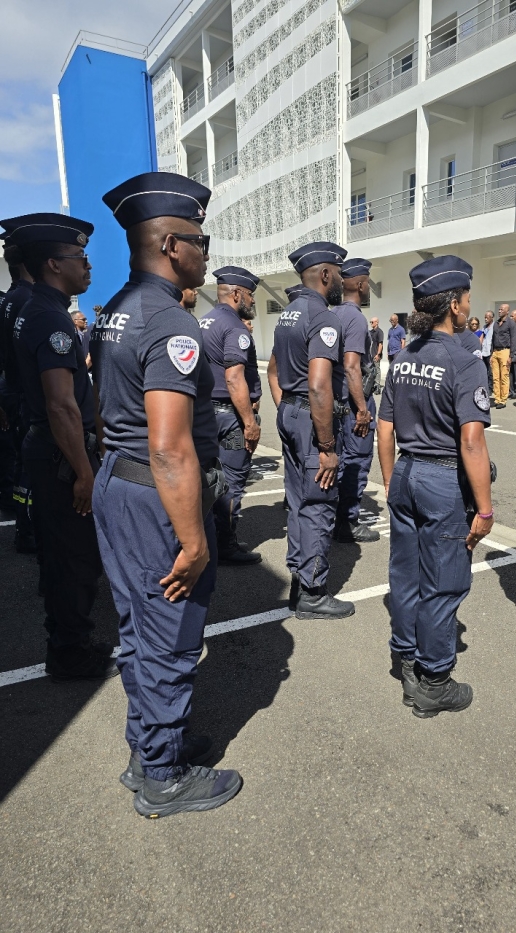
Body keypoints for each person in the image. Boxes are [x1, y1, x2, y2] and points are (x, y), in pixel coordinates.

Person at [91, 171, 241, 818]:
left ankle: (149, 745)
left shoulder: (114, 308)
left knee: (139, 629)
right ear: (173, 245)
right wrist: (194, 539)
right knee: (173, 636)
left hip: (117, 484)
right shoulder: (169, 321)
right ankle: (163, 775)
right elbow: (170, 447)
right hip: (155, 494)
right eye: (201, 240)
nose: (207, 252)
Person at [377, 255, 493, 718]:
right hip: (442, 479)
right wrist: (484, 510)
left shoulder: (403, 357)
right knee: (443, 584)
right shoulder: (465, 362)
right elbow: (472, 441)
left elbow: (384, 429)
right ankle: (434, 680)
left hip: (405, 473)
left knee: (405, 576)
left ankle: (405, 657)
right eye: (465, 298)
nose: (468, 306)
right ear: (455, 306)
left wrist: (390, 484)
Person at [9, 213, 114, 681]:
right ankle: (70, 651)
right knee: (74, 558)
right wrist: (85, 474)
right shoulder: (49, 316)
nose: (88, 266)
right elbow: (61, 406)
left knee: (62, 556)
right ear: (54, 263)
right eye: (80, 258)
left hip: (50, 451)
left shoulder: (33, 306)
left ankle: (67, 640)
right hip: (60, 457)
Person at [267, 241, 355, 620]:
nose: (341, 280)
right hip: (310, 419)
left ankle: (299, 580)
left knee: (298, 502)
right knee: (318, 503)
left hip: (290, 411)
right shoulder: (323, 316)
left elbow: (272, 371)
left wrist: (287, 407)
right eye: (338, 273)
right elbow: (319, 385)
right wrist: (327, 445)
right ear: (324, 274)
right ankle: (314, 591)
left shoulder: (288, 313)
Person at [199, 266, 262, 564]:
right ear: (237, 293)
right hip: (229, 417)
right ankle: (225, 545)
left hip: (205, 413)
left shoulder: (204, 320)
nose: (252, 301)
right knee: (232, 482)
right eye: (250, 294)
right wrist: (249, 422)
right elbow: (235, 379)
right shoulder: (235, 327)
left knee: (208, 479)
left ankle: (211, 538)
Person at [333, 258, 379, 544]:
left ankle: (336, 516)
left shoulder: (332, 313)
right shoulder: (356, 318)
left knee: (339, 461)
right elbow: (352, 366)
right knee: (357, 460)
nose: (369, 287)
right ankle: (347, 522)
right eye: (368, 282)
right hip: (353, 401)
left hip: (336, 400)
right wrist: (362, 409)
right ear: (360, 285)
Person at [0, 223, 35, 551]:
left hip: (12, 393)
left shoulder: (10, 298)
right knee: (32, 466)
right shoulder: (27, 300)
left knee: (23, 464)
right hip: (27, 396)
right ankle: (28, 531)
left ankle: (24, 528)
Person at [491, 303, 516, 408]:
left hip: (505, 351)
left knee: (504, 376)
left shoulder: (511, 323)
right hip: (495, 352)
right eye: (499, 309)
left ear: (507, 311)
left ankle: (503, 400)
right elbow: (493, 338)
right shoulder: (496, 323)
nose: (499, 311)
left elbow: (514, 340)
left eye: (502, 309)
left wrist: (511, 355)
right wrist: (492, 353)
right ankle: (497, 399)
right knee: (495, 377)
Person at [369, 316, 383, 392]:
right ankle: (371, 385)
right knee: (371, 370)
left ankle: (377, 386)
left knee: (377, 370)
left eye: (372, 322)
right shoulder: (371, 332)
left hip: (376, 354)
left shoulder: (379, 332)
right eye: (370, 322)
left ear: (377, 322)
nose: (371, 323)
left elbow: (380, 344)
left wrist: (378, 354)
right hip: (370, 354)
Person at [481, 310, 494, 393]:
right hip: (483, 351)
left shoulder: (494, 327)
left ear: (492, 318)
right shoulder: (484, 327)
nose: (486, 319)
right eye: (485, 317)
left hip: (490, 352)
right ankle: (485, 386)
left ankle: (490, 388)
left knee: (490, 371)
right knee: (485, 370)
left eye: (487, 317)